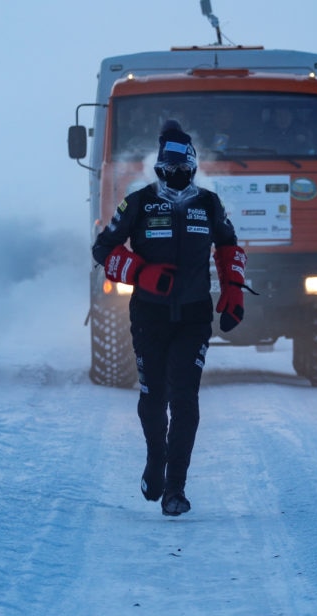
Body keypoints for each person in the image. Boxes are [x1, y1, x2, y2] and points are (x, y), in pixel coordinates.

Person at [92, 120, 249, 516]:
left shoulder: (209, 204)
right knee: (154, 395)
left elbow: (229, 247)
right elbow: (103, 250)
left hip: (194, 316)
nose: (175, 175)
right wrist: (140, 273)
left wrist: (232, 290)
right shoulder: (139, 202)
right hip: (149, 314)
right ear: (159, 167)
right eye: (168, 167)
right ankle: (155, 460)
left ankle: (175, 489)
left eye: (182, 167)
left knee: (184, 399)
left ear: (193, 166)